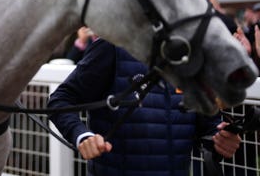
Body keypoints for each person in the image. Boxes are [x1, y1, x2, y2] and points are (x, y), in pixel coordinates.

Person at [47, 38, 241, 176]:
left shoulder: (192, 59)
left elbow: (207, 126)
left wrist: (221, 141)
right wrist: (82, 136)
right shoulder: (112, 46)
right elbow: (61, 99)